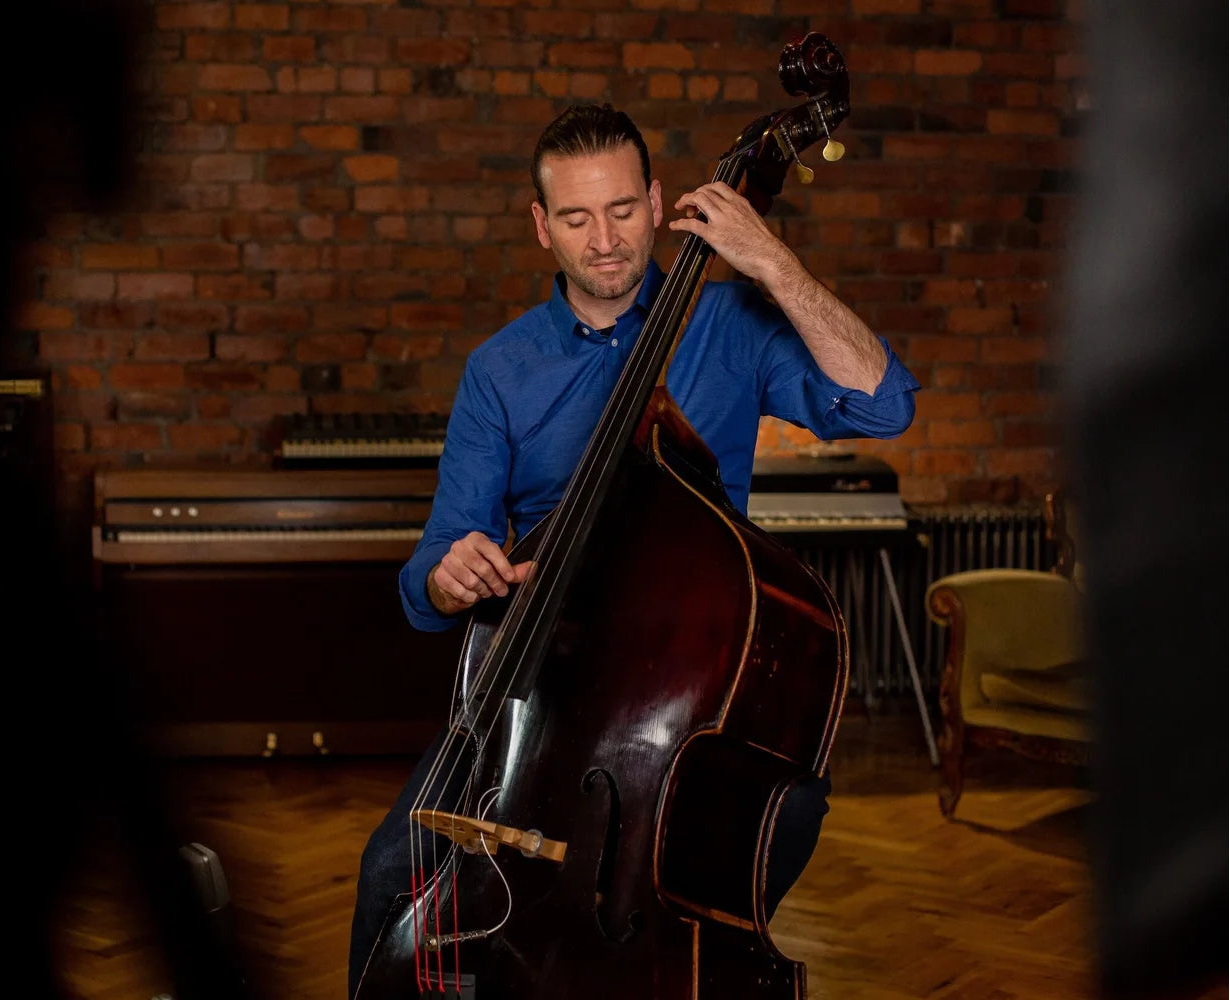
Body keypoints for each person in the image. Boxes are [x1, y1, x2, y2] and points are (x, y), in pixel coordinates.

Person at [348, 103, 919, 996]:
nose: (604, 238)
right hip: (535, 702)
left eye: (621, 209)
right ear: (542, 227)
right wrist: (451, 572)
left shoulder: (731, 322)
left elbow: (885, 404)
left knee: (775, 824)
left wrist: (771, 259)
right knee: (392, 877)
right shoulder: (500, 369)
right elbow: (424, 582)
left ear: (657, 204)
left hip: (685, 696)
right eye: (575, 217)